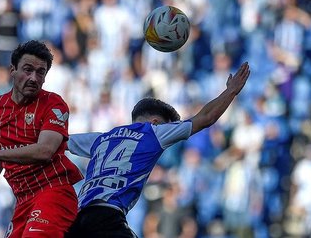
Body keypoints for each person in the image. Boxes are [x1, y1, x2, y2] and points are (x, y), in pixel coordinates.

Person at [65, 62, 251, 238]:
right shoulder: (153, 133)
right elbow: (206, 117)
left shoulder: (101, 138)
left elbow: (58, 140)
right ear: (155, 122)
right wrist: (231, 91)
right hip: (108, 216)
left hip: (78, 218)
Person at [0, 40, 83, 238]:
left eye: (41, 72)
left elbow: (45, 151)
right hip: (22, 201)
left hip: (54, 193)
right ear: (13, 69)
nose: (34, 78)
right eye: (28, 69)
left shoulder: (53, 104)